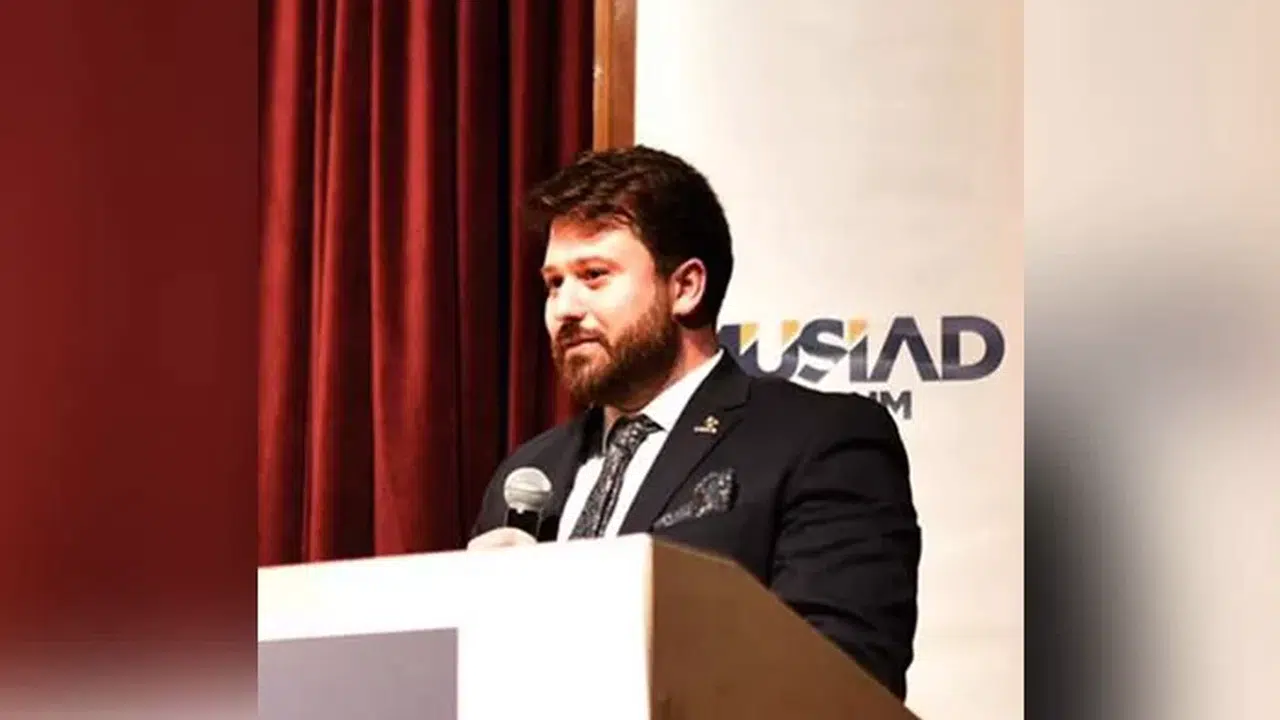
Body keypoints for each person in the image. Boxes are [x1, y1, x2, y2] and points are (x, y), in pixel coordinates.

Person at [468, 145, 921, 700]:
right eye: (554, 283)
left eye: (594, 275)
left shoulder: (820, 439)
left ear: (685, 287)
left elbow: (845, 675)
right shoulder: (527, 475)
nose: (564, 308)